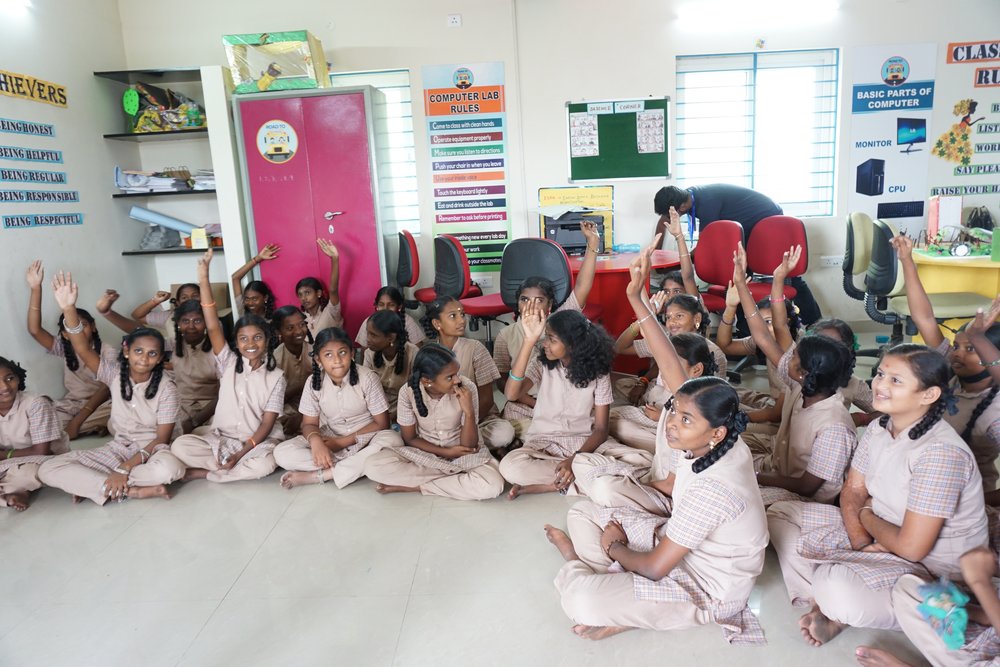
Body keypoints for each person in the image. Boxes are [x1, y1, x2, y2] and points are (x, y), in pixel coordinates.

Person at [767, 344, 989, 647]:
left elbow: (912, 548)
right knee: (781, 513)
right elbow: (854, 490)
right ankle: (828, 603)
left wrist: (866, 515)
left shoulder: (940, 453)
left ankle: (835, 604)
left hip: (931, 571)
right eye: (880, 374)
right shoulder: (880, 426)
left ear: (929, 395)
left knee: (835, 583)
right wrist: (862, 543)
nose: (879, 384)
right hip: (880, 536)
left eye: (896, 380)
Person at [40, 272, 186, 504]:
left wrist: (124, 468)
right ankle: (129, 489)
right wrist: (69, 308)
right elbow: (82, 346)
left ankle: (97, 484)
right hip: (119, 448)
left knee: (170, 471)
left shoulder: (167, 387)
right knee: (49, 468)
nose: (144, 359)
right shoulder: (114, 374)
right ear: (126, 352)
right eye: (138, 351)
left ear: (160, 359)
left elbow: (162, 439)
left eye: (152, 354)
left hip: (154, 451)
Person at [732, 243, 857, 505]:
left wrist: (752, 476)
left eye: (795, 356)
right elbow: (764, 335)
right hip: (777, 469)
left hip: (800, 498)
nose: (787, 356)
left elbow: (807, 487)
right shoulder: (804, 385)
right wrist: (741, 284)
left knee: (728, 493)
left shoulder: (833, 426)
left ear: (802, 371)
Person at [499, 306, 651, 499]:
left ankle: (557, 484)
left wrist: (574, 460)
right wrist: (529, 341)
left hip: (584, 443)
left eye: (552, 339)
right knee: (510, 467)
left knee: (643, 461)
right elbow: (512, 394)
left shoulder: (599, 372)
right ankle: (589, 479)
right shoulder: (542, 364)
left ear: (573, 344)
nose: (545, 344)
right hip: (545, 442)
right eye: (546, 337)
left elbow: (601, 429)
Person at [894, 234, 1000, 492]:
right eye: (957, 346)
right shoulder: (950, 374)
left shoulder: (995, 412)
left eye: (971, 349)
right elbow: (925, 318)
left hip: (962, 498)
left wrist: (984, 504)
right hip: (922, 480)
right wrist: (907, 261)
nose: (957, 354)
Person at [170, 249, 285, 484]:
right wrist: (204, 277)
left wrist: (241, 453)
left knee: (268, 462)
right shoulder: (228, 362)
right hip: (222, 437)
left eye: (257, 338)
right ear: (237, 341)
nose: (250, 344)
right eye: (243, 339)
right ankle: (227, 469)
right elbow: (212, 325)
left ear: (268, 339)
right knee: (180, 445)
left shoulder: (277, 376)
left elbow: (267, 424)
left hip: (254, 442)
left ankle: (208, 473)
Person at [653, 184, 821, 326]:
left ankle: (814, 322)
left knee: (788, 277)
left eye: (670, 213)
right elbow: (663, 222)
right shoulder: (685, 196)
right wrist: (656, 252)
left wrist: (683, 260)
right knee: (738, 277)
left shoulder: (707, 206)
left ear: (681, 207)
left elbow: (703, 247)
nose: (669, 217)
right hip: (747, 222)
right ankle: (745, 330)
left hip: (766, 218)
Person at [492, 220, 601, 424]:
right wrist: (533, 403)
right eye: (525, 300)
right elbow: (503, 382)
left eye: (539, 300)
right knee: (505, 427)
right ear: (517, 303)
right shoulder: (505, 335)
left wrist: (593, 243)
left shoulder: (561, 321)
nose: (531, 305)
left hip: (564, 401)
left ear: (549, 305)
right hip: (525, 401)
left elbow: (583, 286)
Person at [363, 343, 504, 500]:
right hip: (427, 454)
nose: (457, 380)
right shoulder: (407, 392)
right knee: (373, 466)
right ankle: (452, 478)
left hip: (465, 455)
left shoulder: (467, 387)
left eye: (457, 373)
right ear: (427, 381)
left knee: (493, 485)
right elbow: (410, 438)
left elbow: (468, 446)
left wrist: (469, 412)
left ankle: (419, 487)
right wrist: (446, 453)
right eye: (450, 377)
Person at [274, 327, 402, 489]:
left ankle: (322, 474)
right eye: (328, 355)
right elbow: (309, 424)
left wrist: (342, 443)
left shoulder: (367, 378)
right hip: (330, 437)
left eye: (342, 352)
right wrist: (316, 443)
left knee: (393, 440)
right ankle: (353, 466)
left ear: (351, 354)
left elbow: (382, 423)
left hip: (367, 438)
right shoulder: (313, 382)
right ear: (318, 360)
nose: (337, 360)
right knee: (282, 453)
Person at [24, 260, 111, 439]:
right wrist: (35, 288)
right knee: (44, 426)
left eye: (83, 325)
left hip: (102, 404)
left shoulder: (107, 351)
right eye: (70, 327)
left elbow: (106, 389)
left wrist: (77, 422)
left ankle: (95, 425)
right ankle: (94, 426)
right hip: (72, 404)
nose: (78, 329)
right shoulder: (64, 348)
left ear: (93, 327)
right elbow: (35, 330)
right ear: (65, 334)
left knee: (118, 412)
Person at [422, 296, 514, 454]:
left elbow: (487, 399)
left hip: (478, 418)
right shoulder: (428, 354)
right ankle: (469, 447)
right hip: (443, 422)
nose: (461, 320)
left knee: (503, 433)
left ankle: (457, 446)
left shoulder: (475, 348)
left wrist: (466, 424)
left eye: (462, 314)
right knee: (414, 435)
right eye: (453, 316)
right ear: (437, 323)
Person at [0, 356, 69, 511]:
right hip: (9, 463)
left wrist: (5, 455)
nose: (4, 387)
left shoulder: (36, 404)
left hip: (43, 459)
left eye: (9, 378)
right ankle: (14, 493)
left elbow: (41, 451)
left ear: (18, 378)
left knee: (29, 473)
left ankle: (17, 491)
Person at [169, 299, 219, 434]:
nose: (191, 326)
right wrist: (106, 311)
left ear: (206, 324)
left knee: (220, 431)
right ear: (178, 324)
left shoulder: (218, 349)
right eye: (185, 321)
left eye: (197, 321)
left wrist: (196, 421)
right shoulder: (174, 344)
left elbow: (225, 392)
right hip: (182, 406)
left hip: (212, 407)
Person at [362, 309, 418, 422]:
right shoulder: (369, 353)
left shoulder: (413, 353)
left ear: (391, 338)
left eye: (373, 335)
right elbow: (366, 392)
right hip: (376, 413)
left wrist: (395, 415)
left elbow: (415, 394)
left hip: (406, 413)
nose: (368, 339)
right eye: (367, 333)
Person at [271, 305, 314, 436]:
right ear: (278, 332)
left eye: (301, 325)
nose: (299, 331)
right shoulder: (275, 360)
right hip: (286, 408)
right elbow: (274, 401)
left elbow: (327, 392)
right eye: (290, 328)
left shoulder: (316, 352)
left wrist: (302, 415)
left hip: (316, 407)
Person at [296, 238, 344, 338]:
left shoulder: (330, 312)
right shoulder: (300, 318)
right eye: (300, 295)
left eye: (307, 293)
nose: (304, 298)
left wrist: (334, 258)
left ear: (318, 293)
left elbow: (333, 290)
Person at [353, 286, 426, 349]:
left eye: (391, 305)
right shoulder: (369, 322)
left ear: (399, 307)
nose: (385, 309)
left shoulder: (407, 321)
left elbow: (418, 348)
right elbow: (365, 351)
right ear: (376, 306)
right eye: (381, 305)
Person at [231, 243, 279, 319]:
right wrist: (258, 258)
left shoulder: (273, 318)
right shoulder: (243, 310)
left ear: (265, 298)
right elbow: (235, 278)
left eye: (254, 299)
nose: (250, 303)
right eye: (247, 299)